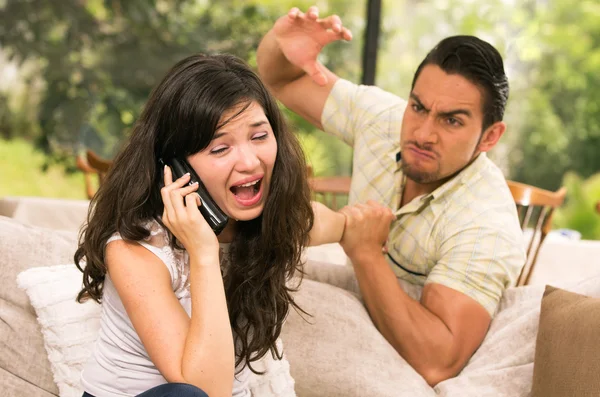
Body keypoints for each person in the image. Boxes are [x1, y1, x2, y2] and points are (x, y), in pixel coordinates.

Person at [256, 6, 526, 386]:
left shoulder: (487, 224)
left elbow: (438, 360)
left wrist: (365, 250)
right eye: (418, 107)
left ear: (490, 137)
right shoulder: (384, 118)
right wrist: (279, 45)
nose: (423, 134)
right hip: (359, 312)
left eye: (452, 120)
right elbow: (279, 80)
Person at [74, 53, 346, 397]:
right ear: (173, 167)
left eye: (259, 136)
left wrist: (362, 233)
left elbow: (336, 224)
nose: (250, 162)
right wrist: (203, 251)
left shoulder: (277, 221)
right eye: (220, 148)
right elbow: (207, 389)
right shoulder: (135, 250)